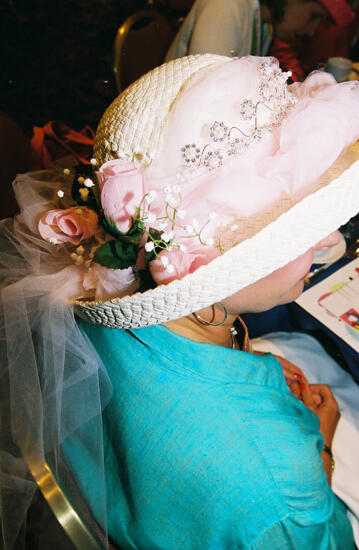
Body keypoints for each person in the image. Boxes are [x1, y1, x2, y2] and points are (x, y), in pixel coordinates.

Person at [1, 54, 359, 549]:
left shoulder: (97, 308)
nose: (327, 241)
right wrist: (320, 458)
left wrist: (247, 360)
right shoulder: (277, 483)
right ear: (209, 266)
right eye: (297, 231)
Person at [165, 0, 330, 61]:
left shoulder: (265, 25)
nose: (311, 31)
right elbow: (203, 97)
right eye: (313, 16)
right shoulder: (225, 7)